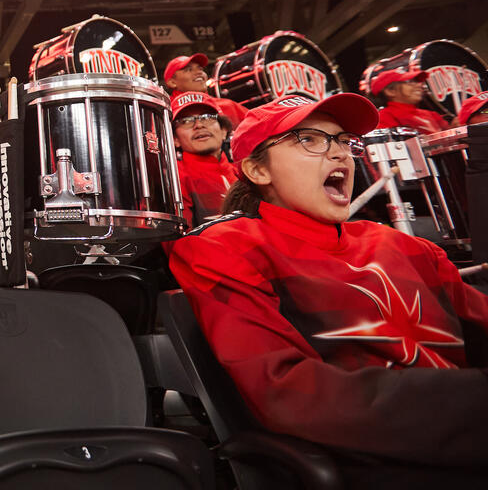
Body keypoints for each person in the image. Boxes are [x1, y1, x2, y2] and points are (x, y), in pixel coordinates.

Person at [170, 93, 488, 484]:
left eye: (342, 141)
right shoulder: (225, 248)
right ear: (257, 170)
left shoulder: (405, 245)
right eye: (311, 139)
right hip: (384, 463)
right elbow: (287, 394)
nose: (339, 154)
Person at [171, 91, 239, 227]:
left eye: (207, 117)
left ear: (224, 130)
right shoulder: (174, 179)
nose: (199, 125)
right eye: (186, 121)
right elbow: (179, 244)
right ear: (175, 139)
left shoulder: (244, 173)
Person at [163, 52, 247, 124]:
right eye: (188, 70)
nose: (199, 72)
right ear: (172, 82)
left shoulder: (228, 106)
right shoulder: (164, 111)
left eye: (200, 68)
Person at [370, 68, 449, 133]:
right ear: (390, 91)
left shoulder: (432, 114)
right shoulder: (384, 117)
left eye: (417, 81)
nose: (419, 85)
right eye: (409, 82)